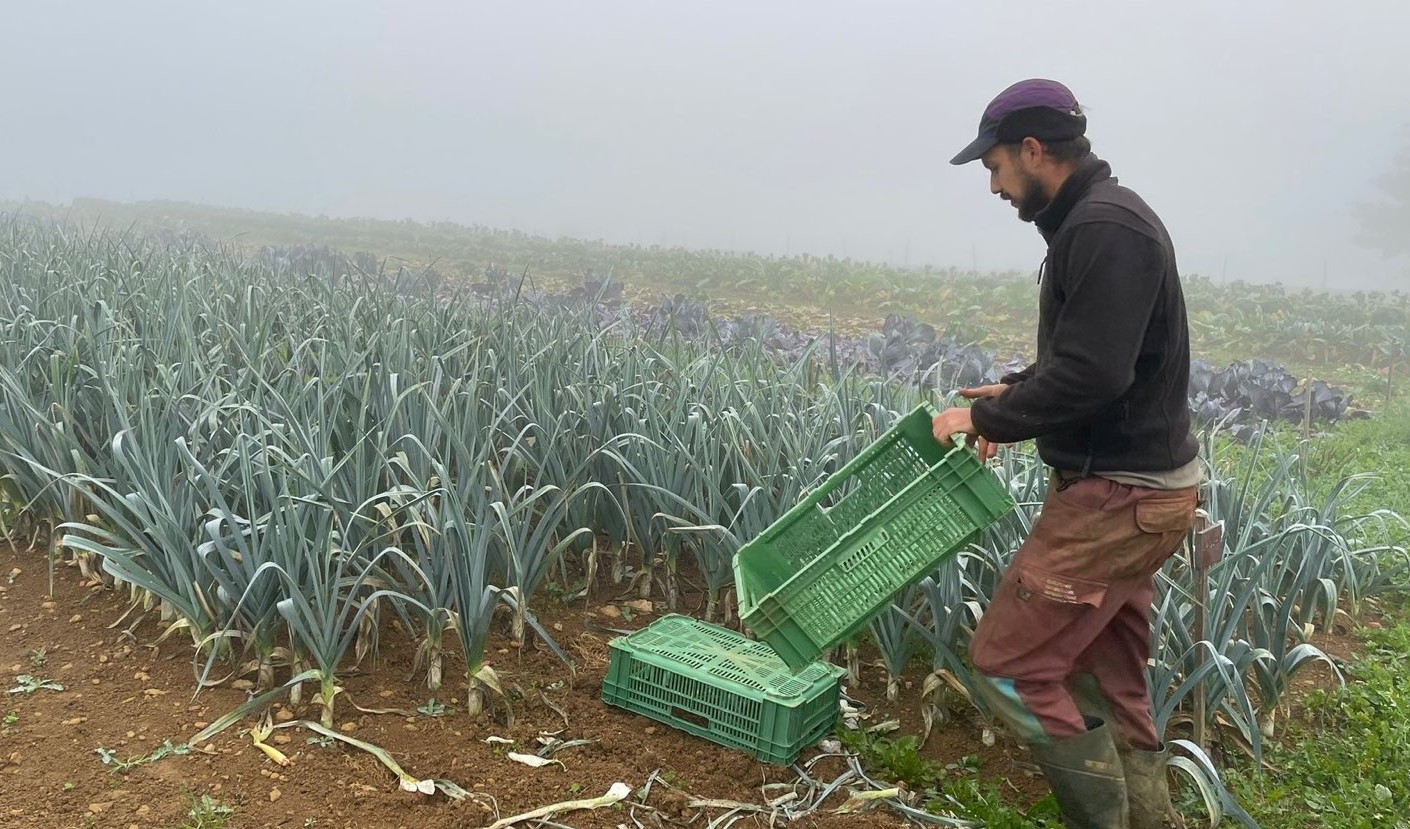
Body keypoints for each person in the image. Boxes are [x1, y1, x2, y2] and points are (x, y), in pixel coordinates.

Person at [932, 78, 1201, 829]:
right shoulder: (1099, 221)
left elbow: (1095, 373)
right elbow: (1104, 357)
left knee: (1009, 667)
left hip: (1117, 498)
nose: (993, 186)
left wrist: (986, 416)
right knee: (1105, 673)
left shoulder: (1104, 228)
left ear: (1032, 150)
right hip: (1147, 496)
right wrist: (1021, 389)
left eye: (994, 167)